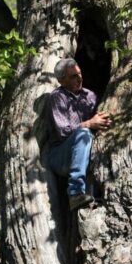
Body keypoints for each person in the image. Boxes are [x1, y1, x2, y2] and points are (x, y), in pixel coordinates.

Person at [46, 58, 112, 210]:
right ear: (62, 80)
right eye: (73, 76)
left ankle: (95, 198)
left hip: (83, 152)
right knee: (84, 134)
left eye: (79, 74)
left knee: (90, 140)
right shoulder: (57, 97)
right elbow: (63, 131)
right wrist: (89, 124)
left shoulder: (90, 96)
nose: (79, 78)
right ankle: (75, 193)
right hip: (60, 156)